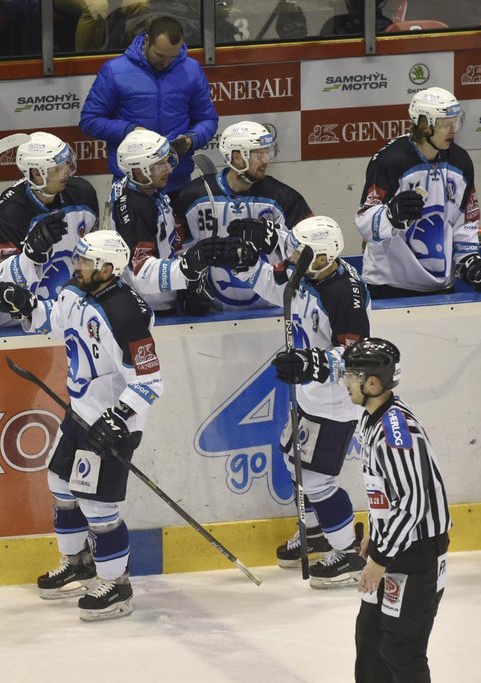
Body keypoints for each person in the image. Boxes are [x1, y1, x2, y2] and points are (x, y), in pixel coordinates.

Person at [0, 231, 163, 622]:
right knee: (60, 483)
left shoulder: (126, 314)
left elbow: (151, 381)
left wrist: (119, 417)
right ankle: (79, 563)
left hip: (113, 423)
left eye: (85, 262)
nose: (77, 266)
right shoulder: (73, 290)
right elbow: (50, 320)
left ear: (106, 269)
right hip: (80, 412)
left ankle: (117, 586)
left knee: (99, 507)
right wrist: (25, 304)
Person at [240, 216, 370, 588]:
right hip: (311, 393)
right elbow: (273, 284)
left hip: (335, 399)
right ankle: (315, 531)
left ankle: (346, 553)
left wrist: (312, 362)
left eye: (298, 252)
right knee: (292, 458)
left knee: (316, 478)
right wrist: (246, 263)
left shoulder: (346, 293)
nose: (290, 257)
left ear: (322, 256)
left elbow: (357, 355)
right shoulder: (309, 271)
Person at [344, 338, 451, 683]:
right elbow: (386, 489)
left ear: (372, 383)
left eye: (350, 375)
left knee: (401, 651)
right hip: (393, 547)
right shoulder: (372, 419)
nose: (345, 382)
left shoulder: (395, 432)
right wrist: (375, 532)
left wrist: (379, 559)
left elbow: (413, 502)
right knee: (370, 640)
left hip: (416, 556)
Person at [355, 86, 481, 298]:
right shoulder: (390, 161)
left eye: (455, 121)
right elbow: (364, 222)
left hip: (441, 289)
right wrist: (390, 215)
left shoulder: (460, 161)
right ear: (423, 125)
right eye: (444, 124)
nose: (453, 129)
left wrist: (471, 263)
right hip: (388, 287)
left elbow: (464, 223)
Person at [175, 121, 313, 314]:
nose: (266, 160)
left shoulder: (283, 197)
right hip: (213, 317)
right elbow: (179, 250)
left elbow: (310, 250)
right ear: (237, 157)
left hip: (272, 311)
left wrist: (274, 238)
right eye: (259, 154)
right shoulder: (194, 196)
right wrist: (188, 286)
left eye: (268, 152)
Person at [79, 16, 218, 195]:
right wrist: (131, 130)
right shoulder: (114, 71)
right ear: (146, 41)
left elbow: (207, 119)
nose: (166, 63)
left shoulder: (191, 69)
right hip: (131, 184)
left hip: (177, 182)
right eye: (160, 55)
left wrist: (192, 139)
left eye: (173, 57)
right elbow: (90, 120)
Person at [0, 131, 99, 329]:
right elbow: (3, 278)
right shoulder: (10, 211)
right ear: (36, 173)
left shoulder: (83, 193)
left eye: (66, 162)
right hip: (15, 324)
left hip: (68, 316)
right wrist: (30, 255)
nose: (66, 171)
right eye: (57, 168)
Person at [109, 127, 228, 315]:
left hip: (160, 298)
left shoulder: (145, 189)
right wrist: (187, 268)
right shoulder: (135, 208)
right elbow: (142, 273)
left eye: (167, 160)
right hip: (150, 308)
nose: (169, 168)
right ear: (138, 171)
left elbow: (170, 240)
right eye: (159, 165)